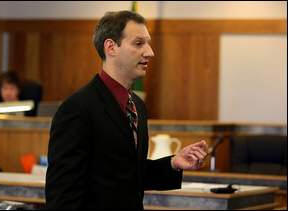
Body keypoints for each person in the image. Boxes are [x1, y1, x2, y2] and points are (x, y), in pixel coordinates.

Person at [45, 11, 208, 210]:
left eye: (147, 43)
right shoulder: (77, 109)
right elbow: (62, 197)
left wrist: (174, 162)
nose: (150, 52)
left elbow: (128, 176)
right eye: (139, 43)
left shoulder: (137, 106)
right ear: (111, 47)